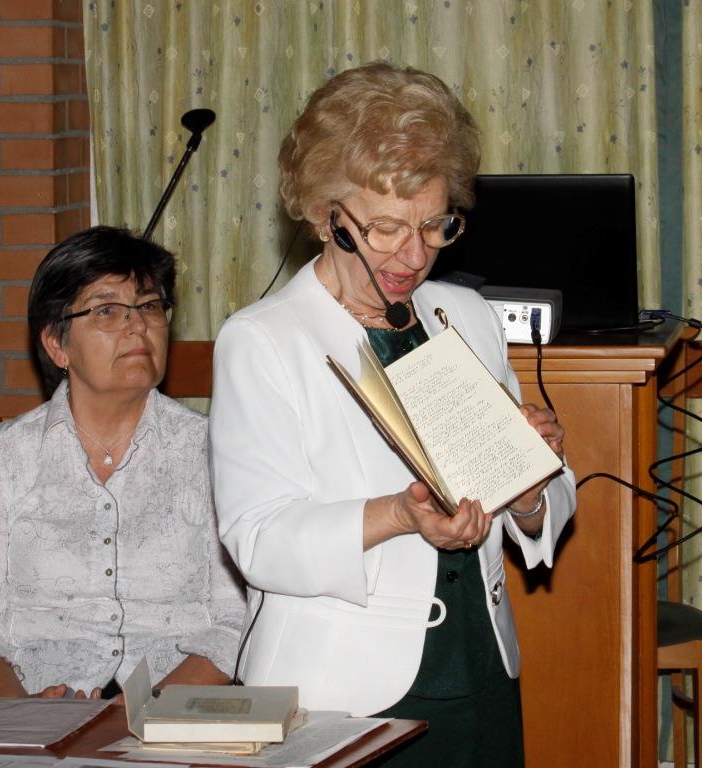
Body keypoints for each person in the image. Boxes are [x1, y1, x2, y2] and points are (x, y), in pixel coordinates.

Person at [209, 63, 576, 766]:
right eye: (386, 229)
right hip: (342, 695)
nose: (415, 255)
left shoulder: (465, 315)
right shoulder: (263, 340)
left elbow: (546, 504)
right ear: (327, 219)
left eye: (435, 226)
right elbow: (259, 539)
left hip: (483, 671)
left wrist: (530, 488)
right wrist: (400, 515)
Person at [0, 226, 245, 699]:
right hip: (29, 706)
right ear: (57, 345)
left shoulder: (212, 450)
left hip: (176, 706)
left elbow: (235, 619)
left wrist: (144, 711)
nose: (137, 326)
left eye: (149, 306)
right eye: (107, 311)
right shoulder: (2, 457)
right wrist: (24, 715)